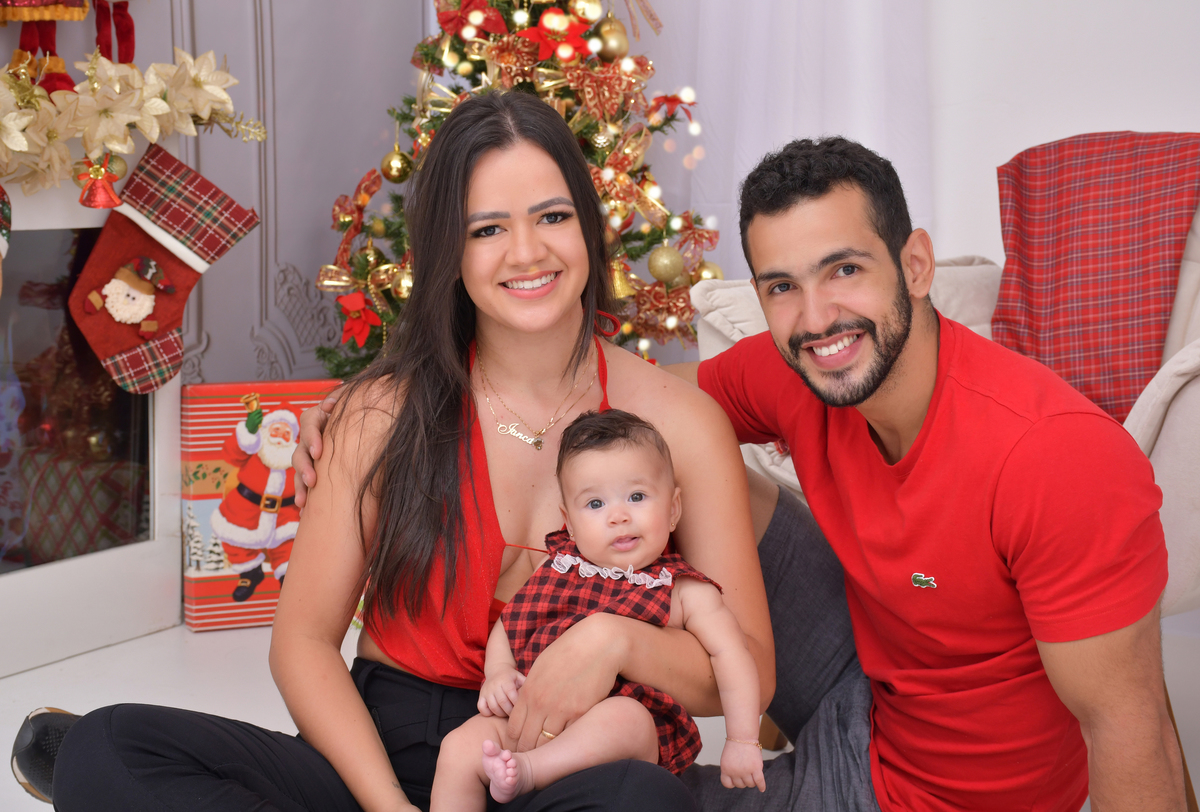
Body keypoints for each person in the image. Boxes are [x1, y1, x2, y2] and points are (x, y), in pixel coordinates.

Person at [293, 135, 1188, 811]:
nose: (818, 316)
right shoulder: (801, 367)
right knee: (671, 459)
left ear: (916, 265)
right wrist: (376, 399)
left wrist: (613, 641)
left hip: (931, 789)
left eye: (845, 270)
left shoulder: (1054, 456)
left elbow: (1133, 724)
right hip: (860, 688)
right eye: (782, 287)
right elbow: (631, 399)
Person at [16, 90, 773, 812]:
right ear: (448, 249)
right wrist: (387, 805)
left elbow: (749, 673)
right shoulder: (381, 414)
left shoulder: (680, 423)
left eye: (553, 216)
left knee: (644, 800)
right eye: (487, 229)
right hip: (388, 759)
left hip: (565, 761)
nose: (527, 251)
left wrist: (615, 642)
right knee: (108, 747)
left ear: (589, 227)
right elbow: (304, 644)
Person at [431, 410, 765, 811]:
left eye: (637, 497)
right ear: (569, 523)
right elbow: (512, 622)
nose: (618, 516)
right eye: (595, 503)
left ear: (674, 508)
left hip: (614, 739)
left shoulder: (683, 590)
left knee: (626, 718)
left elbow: (733, 657)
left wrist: (743, 740)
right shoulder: (558, 566)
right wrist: (499, 673)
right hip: (532, 717)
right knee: (459, 747)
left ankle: (532, 771)